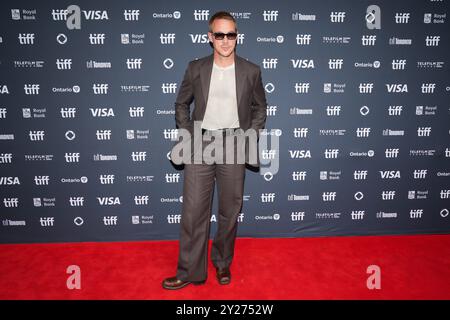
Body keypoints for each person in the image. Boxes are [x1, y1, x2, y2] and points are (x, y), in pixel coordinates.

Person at [162, 11, 267, 290]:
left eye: (230, 34)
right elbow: (181, 103)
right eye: (218, 34)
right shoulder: (196, 68)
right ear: (210, 37)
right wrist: (189, 134)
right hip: (201, 144)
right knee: (193, 210)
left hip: (234, 143)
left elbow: (260, 107)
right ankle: (189, 271)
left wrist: (250, 136)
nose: (224, 40)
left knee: (230, 210)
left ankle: (222, 262)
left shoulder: (251, 70)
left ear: (237, 36)